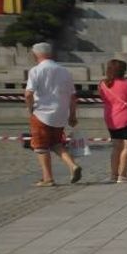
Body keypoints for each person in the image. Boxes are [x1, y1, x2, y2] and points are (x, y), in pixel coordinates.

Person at [24, 42, 81, 187]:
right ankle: (72, 165)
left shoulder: (36, 70)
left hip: (41, 113)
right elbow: (73, 96)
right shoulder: (65, 71)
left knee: (41, 147)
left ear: (35, 54)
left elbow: (28, 94)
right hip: (60, 114)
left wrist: (30, 109)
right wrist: (72, 115)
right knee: (56, 143)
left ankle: (48, 178)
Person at [99, 58, 127, 184]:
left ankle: (113, 174)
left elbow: (104, 99)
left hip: (111, 118)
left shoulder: (102, 84)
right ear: (123, 71)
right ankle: (123, 175)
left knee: (116, 147)